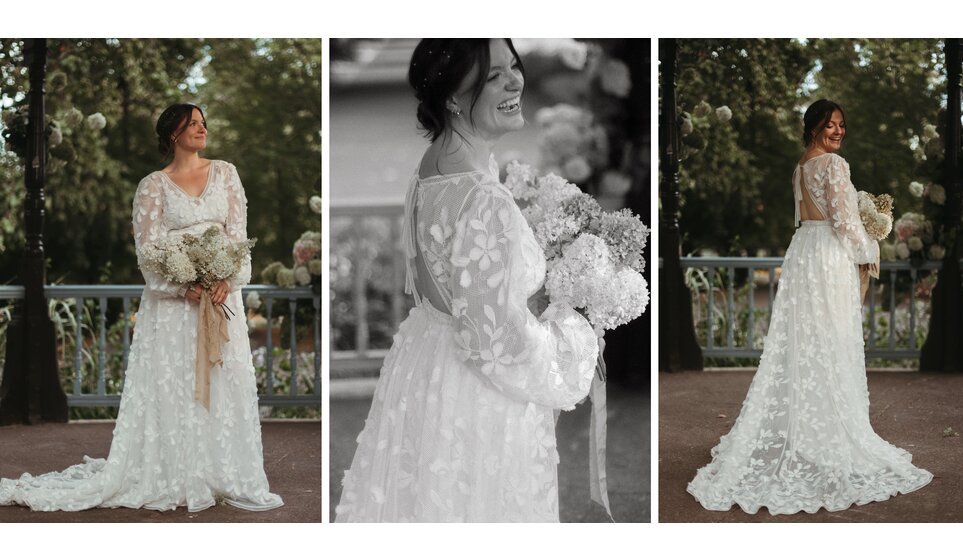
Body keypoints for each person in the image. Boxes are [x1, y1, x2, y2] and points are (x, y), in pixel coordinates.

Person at [335, 39, 600, 522]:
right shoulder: (483, 196)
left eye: (512, 66)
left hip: (427, 364)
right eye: (493, 76)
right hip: (479, 395)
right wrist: (573, 336)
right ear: (453, 98)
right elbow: (494, 341)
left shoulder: (432, 169)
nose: (515, 80)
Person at [0, 104, 283, 512]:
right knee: (176, 387)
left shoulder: (226, 173)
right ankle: (174, 473)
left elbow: (238, 237)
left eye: (204, 123)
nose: (202, 129)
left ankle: (223, 472)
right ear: (172, 133)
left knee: (224, 382)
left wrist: (225, 279)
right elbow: (148, 253)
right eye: (193, 124)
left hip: (222, 299)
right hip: (173, 308)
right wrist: (182, 285)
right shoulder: (153, 185)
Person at [687, 99, 933, 514]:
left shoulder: (800, 167)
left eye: (841, 125)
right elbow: (842, 221)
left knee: (805, 342)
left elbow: (813, 216)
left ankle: (806, 431)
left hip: (802, 252)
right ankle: (829, 433)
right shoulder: (834, 166)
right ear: (815, 126)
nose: (838, 131)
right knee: (832, 339)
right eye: (831, 124)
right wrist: (871, 245)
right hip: (828, 255)